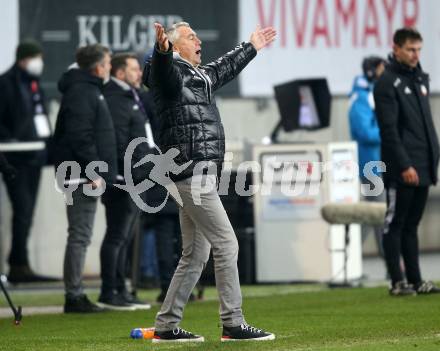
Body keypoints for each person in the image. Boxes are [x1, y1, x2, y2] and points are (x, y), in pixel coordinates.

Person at [144, 21, 276, 342]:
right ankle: (233, 322)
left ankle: (166, 326)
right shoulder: (168, 72)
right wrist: (161, 51)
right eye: (191, 37)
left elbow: (224, 67)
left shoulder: (196, 76)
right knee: (226, 244)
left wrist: (251, 47)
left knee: (196, 254)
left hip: (197, 174)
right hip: (191, 173)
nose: (199, 40)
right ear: (175, 46)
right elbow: (160, 72)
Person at [374, 27, 440, 296]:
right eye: (411, 49)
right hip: (402, 166)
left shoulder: (420, 80)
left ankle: (416, 280)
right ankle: (397, 281)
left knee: (412, 224)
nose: (416, 55)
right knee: (395, 223)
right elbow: (388, 131)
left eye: (419, 50)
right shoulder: (387, 83)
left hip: (423, 163)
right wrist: (404, 166)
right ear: (397, 48)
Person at [53, 44, 118, 313]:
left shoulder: (87, 89)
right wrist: (92, 170)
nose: (110, 67)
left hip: (83, 173)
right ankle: (74, 295)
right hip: (81, 175)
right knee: (80, 235)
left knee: (81, 234)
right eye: (108, 62)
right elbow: (81, 135)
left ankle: (75, 293)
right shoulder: (83, 91)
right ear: (97, 66)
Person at [99, 53, 151, 311]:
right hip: (124, 178)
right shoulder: (116, 99)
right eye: (133, 69)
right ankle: (110, 291)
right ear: (120, 73)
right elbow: (118, 141)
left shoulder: (129, 96)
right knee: (117, 236)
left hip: (135, 176)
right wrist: (125, 173)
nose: (139, 74)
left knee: (125, 237)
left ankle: (121, 289)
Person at [0, 40, 56, 283]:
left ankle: (20, 263)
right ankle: (17, 265)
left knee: (27, 211)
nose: (39, 62)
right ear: (24, 59)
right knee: (22, 210)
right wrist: (11, 139)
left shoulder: (33, 84)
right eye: (35, 57)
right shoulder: (6, 83)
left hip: (34, 156)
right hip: (15, 157)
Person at [348, 56, 386, 259]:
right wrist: (389, 131)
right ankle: (390, 262)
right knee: (378, 213)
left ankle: (350, 255)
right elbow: (366, 133)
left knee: (374, 212)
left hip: (376, 163)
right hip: (369, 164)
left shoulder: (367, 94)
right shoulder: (361, 97)